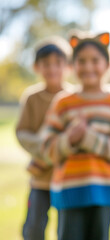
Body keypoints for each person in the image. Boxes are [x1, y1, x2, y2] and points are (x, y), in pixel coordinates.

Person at [40, 31, 110, 240]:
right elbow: (46, 149)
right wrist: (70, 139)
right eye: (81, 61)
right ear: (72, 65)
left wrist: (88, 138)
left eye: (95, 60)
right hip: (68, 189)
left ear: (107, 64)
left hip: (103, 190)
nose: (88, 66)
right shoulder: (63, 102)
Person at [16, 36, 72, 240]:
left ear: (68, 66)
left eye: (58, 63)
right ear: (36, 67)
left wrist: (61, 149)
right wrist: (45, 150)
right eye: (46, 64)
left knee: (65, 228)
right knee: (33, 227)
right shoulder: (32, 97)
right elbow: (22, 132)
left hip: (66, 177)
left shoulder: (73, 97)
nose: (52, 69)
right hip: (39, 177)